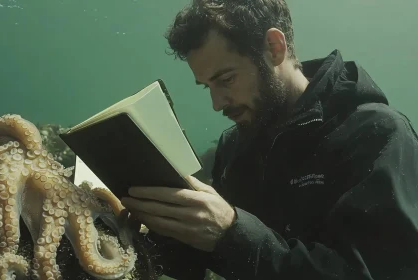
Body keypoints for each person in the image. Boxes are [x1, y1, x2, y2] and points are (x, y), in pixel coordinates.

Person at [121, 0, 418, 279]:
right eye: (206, 86)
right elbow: (206, 258)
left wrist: (232, 234)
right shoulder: (235, 147)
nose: (216, 102)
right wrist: (142, 233)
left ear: (274, 49)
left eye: (226, 79)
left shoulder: (378, 135)